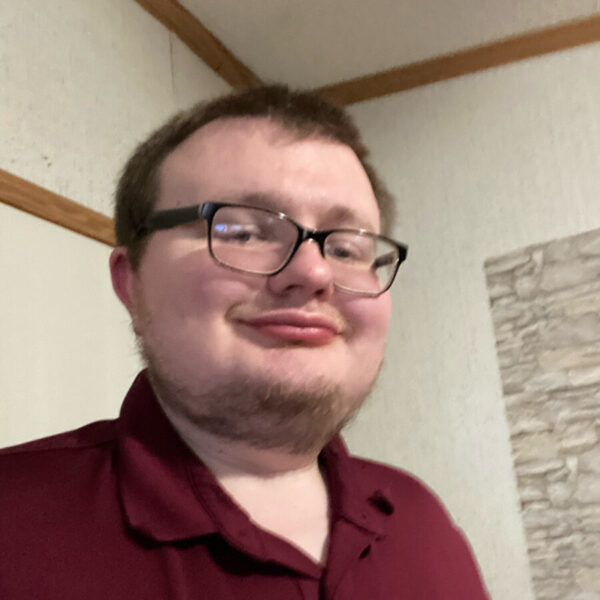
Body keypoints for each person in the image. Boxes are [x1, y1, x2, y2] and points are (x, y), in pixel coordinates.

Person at [0, 85, 489, 599]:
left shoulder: (423, 521)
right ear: (132, 283)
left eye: (346, 249)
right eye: (243, 232)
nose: (314, 272)